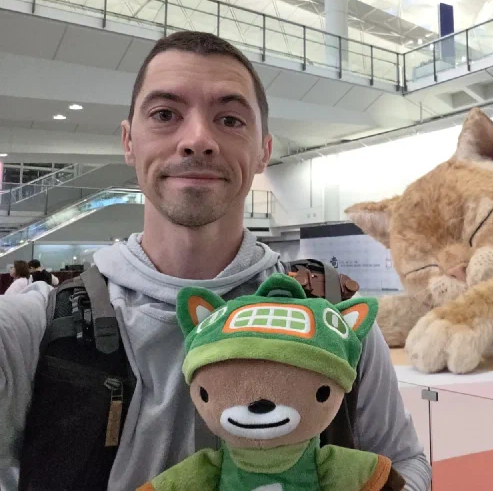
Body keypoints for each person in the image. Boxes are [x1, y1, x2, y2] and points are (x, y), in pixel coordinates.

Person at [0, 32, 432, 491]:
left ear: (264, 150)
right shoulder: (34, 326)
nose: (199, 139)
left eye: (230, 119)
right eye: (165, 115)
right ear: (129, 141)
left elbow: (405, 463)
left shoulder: (330, 313)